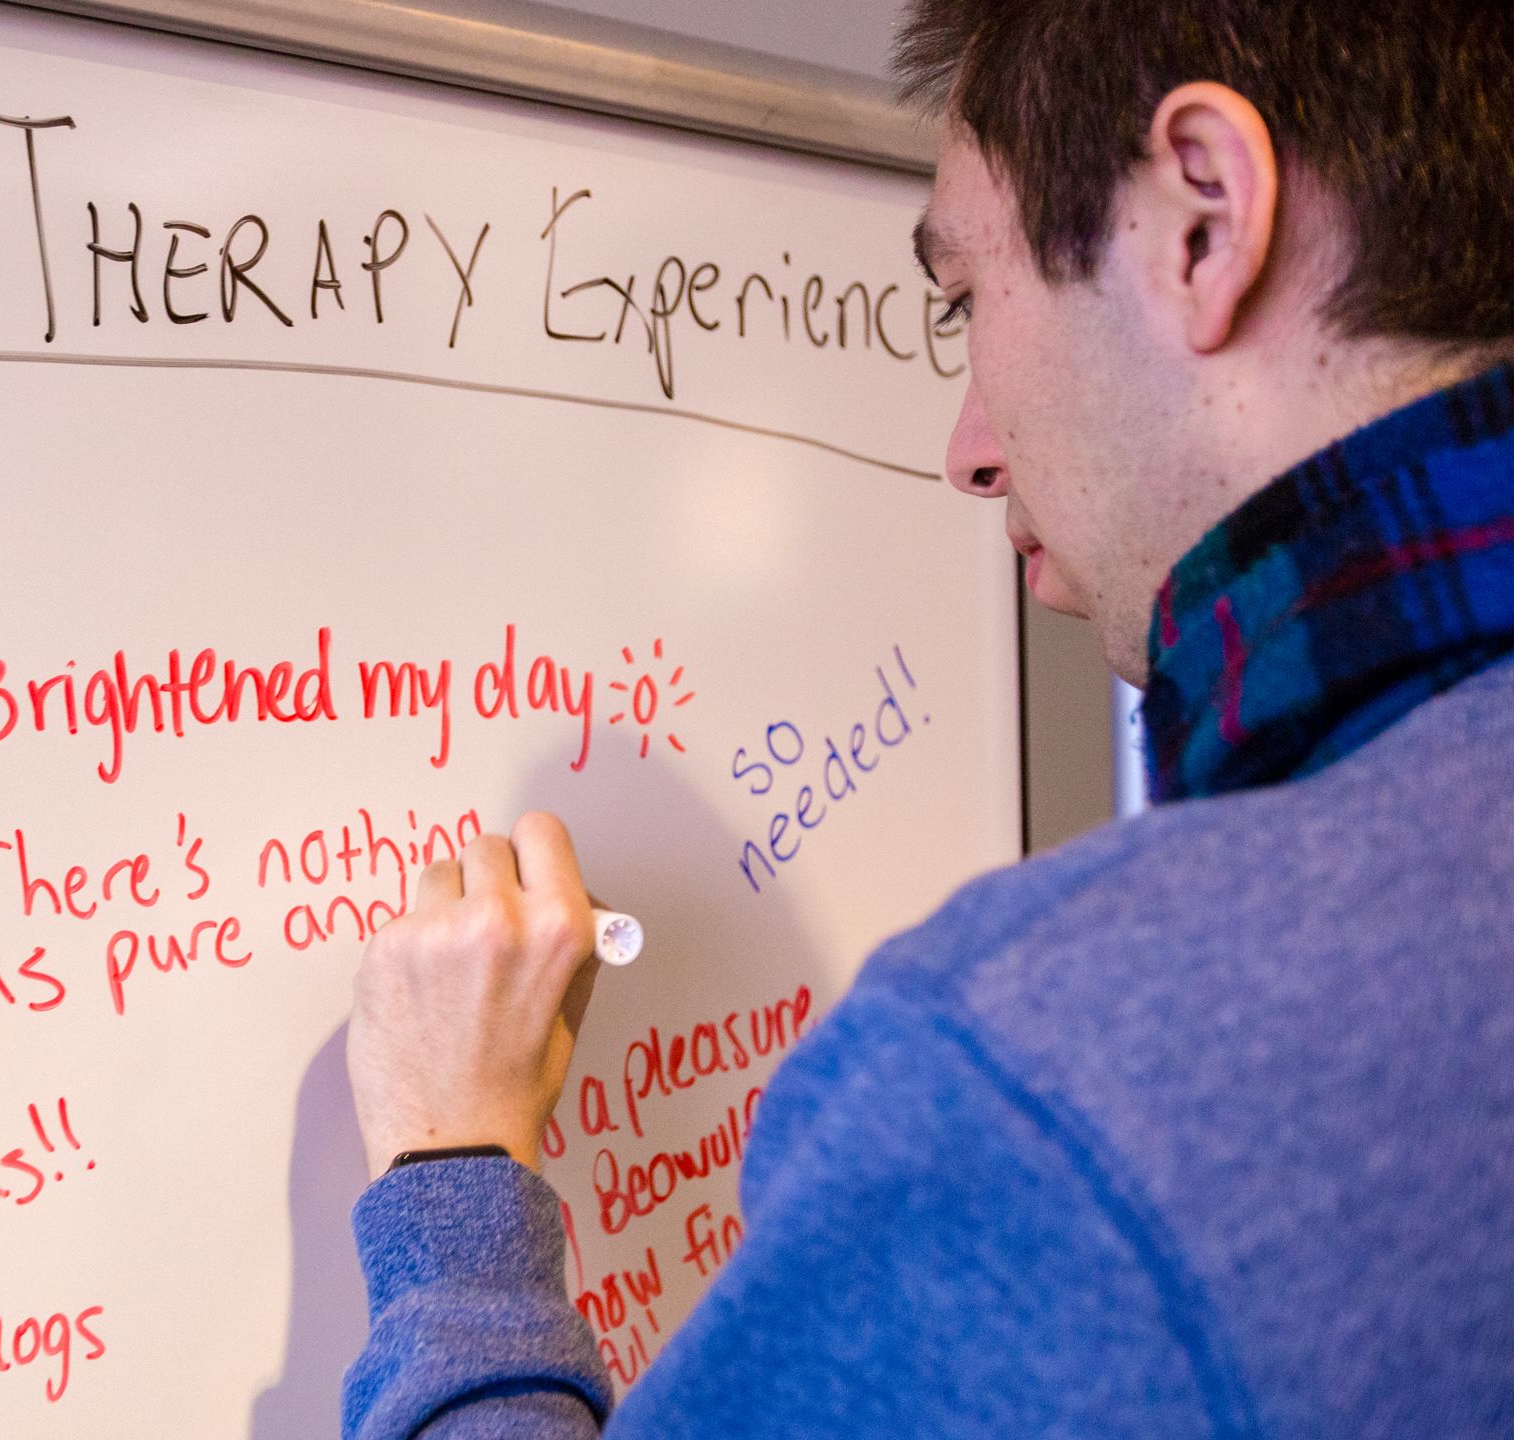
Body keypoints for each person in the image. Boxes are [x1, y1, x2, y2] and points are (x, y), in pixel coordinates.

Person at [339, 2, 1514, 1435]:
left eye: (964, 300)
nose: (967, 456)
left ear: (1203, 219)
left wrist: (452, 1190)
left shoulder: (1054, 1070)